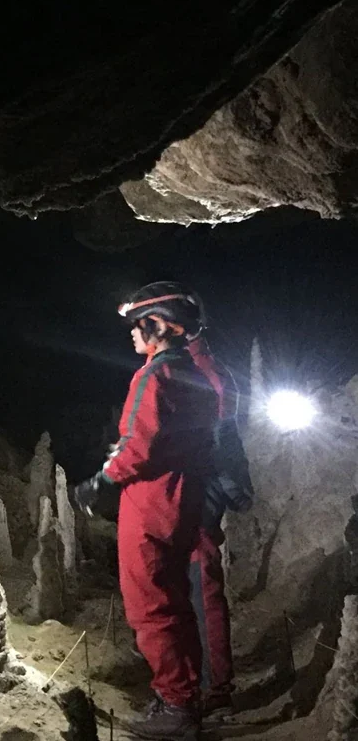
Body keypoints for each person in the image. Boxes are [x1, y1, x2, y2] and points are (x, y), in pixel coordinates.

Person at [74, 281, 219, 739]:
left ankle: (175, 708)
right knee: (176, 602)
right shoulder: (193, 374)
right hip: (183, 498)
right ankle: (185, 696)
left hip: (151, 503)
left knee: (150, 606)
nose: (132, 335)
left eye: (138, 326)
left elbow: (140, 444)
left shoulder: (154, 375)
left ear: (157, 324)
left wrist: (99, 482)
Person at [183, 289, 253, 717]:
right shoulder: (197, 364)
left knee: (200, 589)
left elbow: (218, 435)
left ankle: (215, 688)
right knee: (189, 589)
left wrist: (225, 484)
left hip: (198, 489)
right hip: (195, 485)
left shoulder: (201, 368)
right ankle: (198, 683)